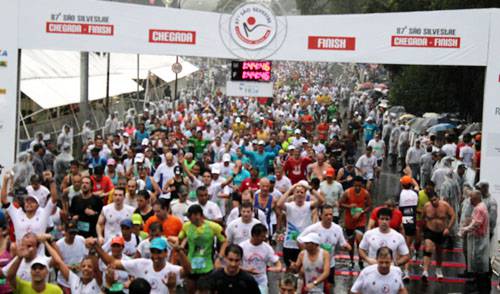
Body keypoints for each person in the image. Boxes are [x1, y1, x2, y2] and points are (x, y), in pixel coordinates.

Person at [92, 237, 190, 294]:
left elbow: (188, 271)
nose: (155, 256)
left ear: (165, 253)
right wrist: (96, 246)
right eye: (153, 252)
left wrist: (180, 251)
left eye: (158, 252)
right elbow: (113, 263)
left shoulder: (171, 270)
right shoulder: (142, 264)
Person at [299, 204, 351, 292]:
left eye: (331, 214)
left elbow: (343, 244)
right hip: (314, 264)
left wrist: (347, 247)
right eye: (326, 215)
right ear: (320, 215)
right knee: (310, 288)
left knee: (328, 288)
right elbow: (299, 239)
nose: (329, 217)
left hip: (330, 263)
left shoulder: (337, 229)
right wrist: (306, 252)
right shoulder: (313, 228)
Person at [178, 204, 227, 294]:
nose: (188, 218)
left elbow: (225, 241)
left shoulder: (214, 226)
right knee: (191, 290)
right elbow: (180, 238)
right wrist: (182, 252)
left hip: (207, 266)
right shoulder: (186, 226)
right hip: (190, 265)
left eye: (190, 216)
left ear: (198, 215)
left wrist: (219, 258)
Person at [277, 182, 324, 268]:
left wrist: (310, 189)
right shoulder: (289, 206)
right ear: (294, 194)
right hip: (289, 244)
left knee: (303, 271)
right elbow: (279, 204)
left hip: (304, 244)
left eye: (302, 192)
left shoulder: (309, 205)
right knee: (290, 270)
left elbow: (321, 200)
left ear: (305, 194)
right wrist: (290, 189)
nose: (299, 194)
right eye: (297, 192)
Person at [459, 190, 491, 293]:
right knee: (478, 265)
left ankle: (481, 288)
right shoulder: (481, 206)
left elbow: (476, 224)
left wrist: (464, 230)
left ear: (476, 198)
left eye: (471, 198)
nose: (470, 200)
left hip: (479, 241)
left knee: (479, 264)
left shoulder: (479, 208)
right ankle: (479, 285)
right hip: (478, 239)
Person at [339, 176, 372, 270]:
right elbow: (340, 203)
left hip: (360, 221)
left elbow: (369, 206)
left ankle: (360, 260)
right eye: (356, 185)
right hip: (349, 221)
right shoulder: (348, 192)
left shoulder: (365, 193)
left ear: (362, 185)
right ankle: (351, 260)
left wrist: (361, 212)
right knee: (350, 242)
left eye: (359, 185)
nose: (357, 187)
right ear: (353, 184)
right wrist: (349, 206)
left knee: (359, 240)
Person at [421, 193, 456, 281]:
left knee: (439, 251)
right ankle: (425, 271)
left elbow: (453, 216)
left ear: (438, 198)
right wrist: (423, 229)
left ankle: (438, 269)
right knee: (428, 248)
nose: (433, 202)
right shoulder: (427, 206)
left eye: (435, 200)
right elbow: (422, 217)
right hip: (429, 231)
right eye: (431, 201)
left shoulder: (445, 205)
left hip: (441, 232)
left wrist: (448, 228)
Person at [239, 223, 282, 293]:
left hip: (261, 281)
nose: (264, 238)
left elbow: (278, 263)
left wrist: (276, 268)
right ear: (254, 235)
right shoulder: (242, 246)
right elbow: (234, 265)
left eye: (265, 236)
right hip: (245, 280)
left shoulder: (267, 248)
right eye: (262, 236)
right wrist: (247, 270)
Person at [398, 175, 418, 280]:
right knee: (407, 246)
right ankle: (406, 271)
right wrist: (411, 177)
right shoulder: (415, 193)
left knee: (400, 246)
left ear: (402, 185)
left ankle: (400, 270)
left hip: (403, 219)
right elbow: (417, 186)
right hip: (411, 219)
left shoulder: (401, 194)